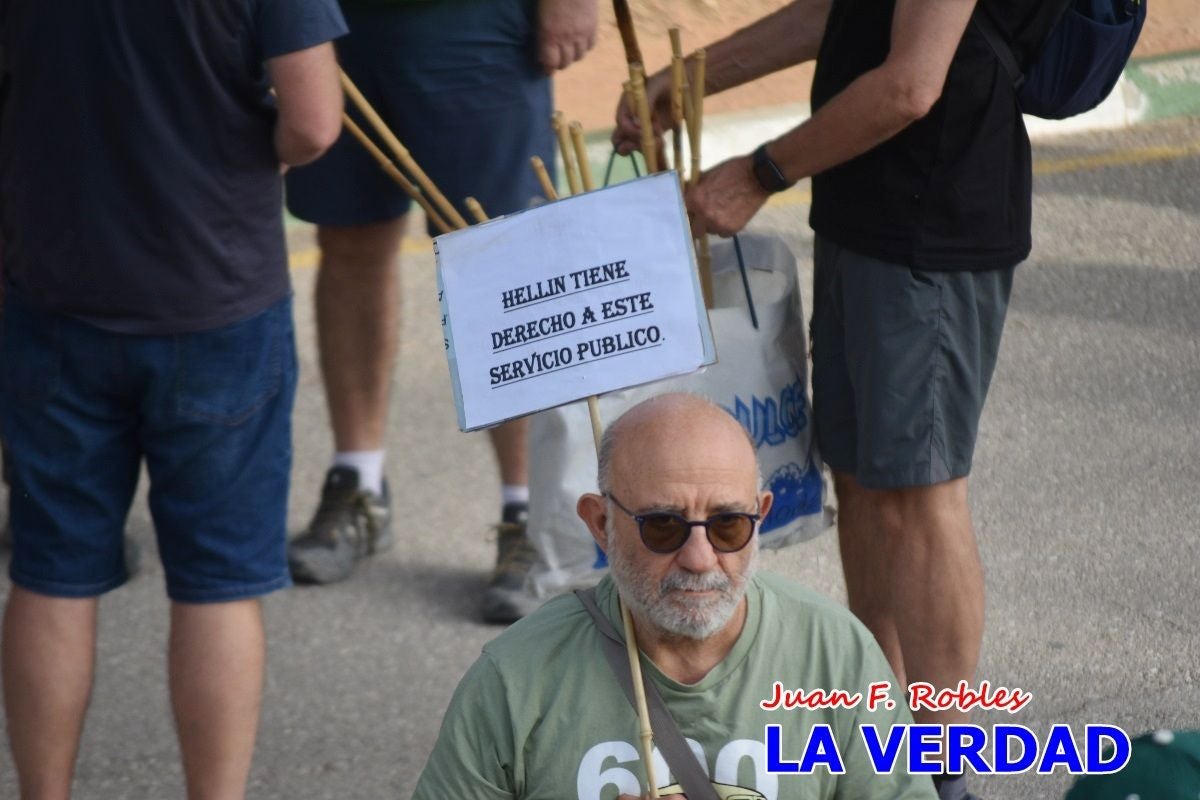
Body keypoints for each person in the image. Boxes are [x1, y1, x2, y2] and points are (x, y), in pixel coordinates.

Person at [613, 3, 1062, 798]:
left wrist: (759, 173)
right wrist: (686, 80)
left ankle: (943, 768)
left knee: (918, 493)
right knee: (860, 479)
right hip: (867, 211)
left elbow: (910, 86)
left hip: (931, 225)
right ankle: (879, 736)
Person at [0, 2, 345, 796]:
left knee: (51, 569)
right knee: (219, 582)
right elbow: (316, 121)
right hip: (215, 290)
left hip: (55, 285)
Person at [413, 393, 937, 799]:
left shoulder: (835, 653)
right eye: (662, 526)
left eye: (728, 524)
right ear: (601, 524)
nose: (699, 557)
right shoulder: (515, 679)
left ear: (762, 515)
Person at [282, 0, 598, 624]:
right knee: (347, 241)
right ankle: (359, 485)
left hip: (470, 18)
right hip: (328, 16)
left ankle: (526, 512)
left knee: (493, 251)